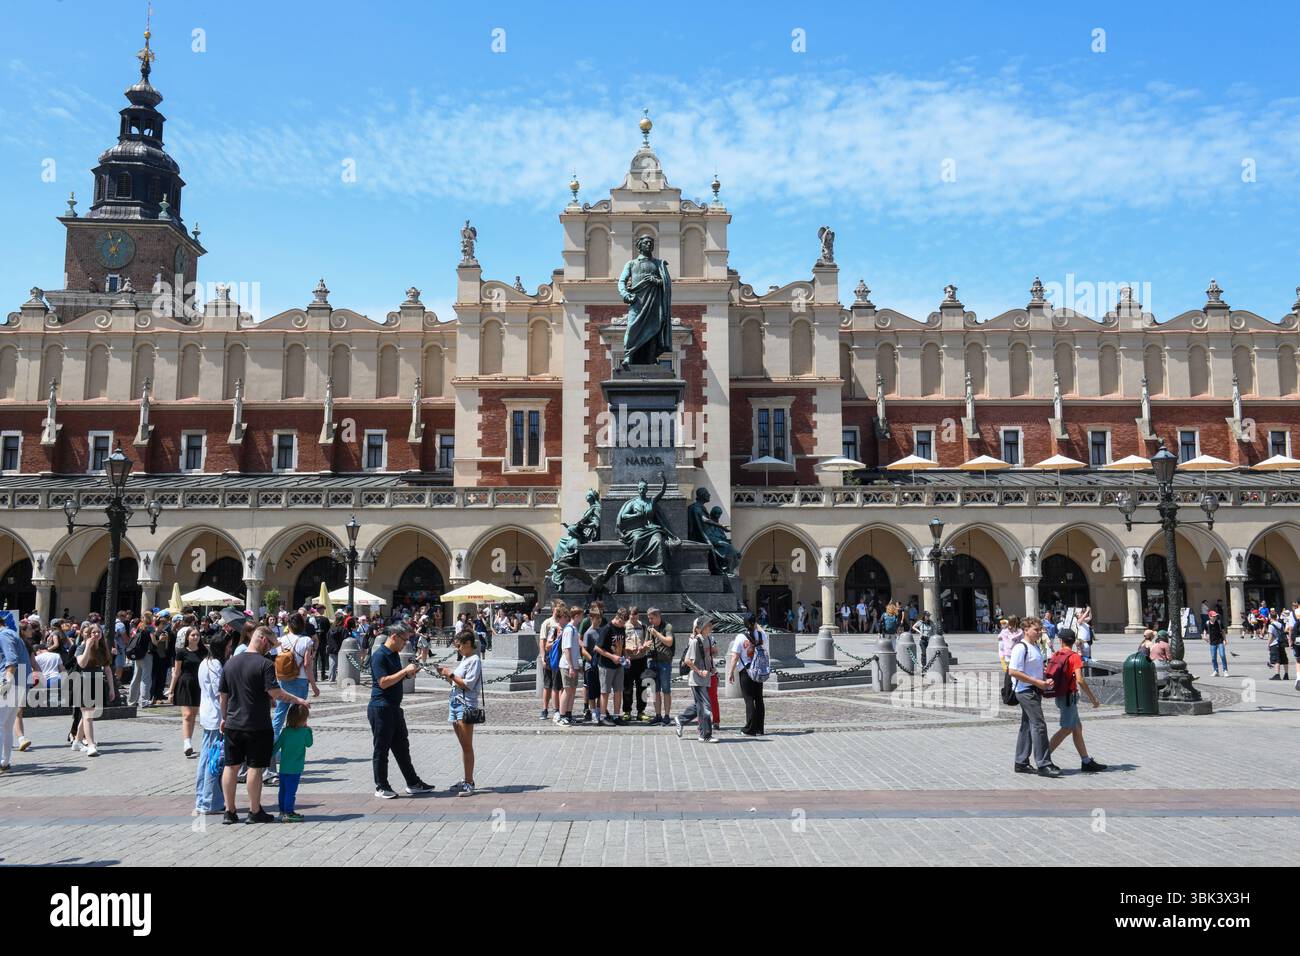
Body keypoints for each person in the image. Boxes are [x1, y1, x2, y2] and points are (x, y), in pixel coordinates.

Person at [219, 625, 310, 824]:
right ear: (263, 640)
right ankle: (254, 811)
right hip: (257, 725)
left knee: (231, 766)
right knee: (254, 768)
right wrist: (299, 700)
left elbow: (223, 696)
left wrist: (223, 718)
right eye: (270, 646)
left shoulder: (230, 663)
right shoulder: (265, 664)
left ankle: (229, 811)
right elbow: (276, 693)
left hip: (233, 724)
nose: (270, 650)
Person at [368, 625, 435, 799]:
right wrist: (404, 671)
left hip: (394, 708)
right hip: (381, 707)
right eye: (404, 639)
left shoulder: (394, 655)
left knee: (402, 747)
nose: (406, 643)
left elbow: (396, 676)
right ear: (394, 636)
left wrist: (408, 673)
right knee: (381, 749)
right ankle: (381, 786)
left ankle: (413, 782)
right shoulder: (379, 656)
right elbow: (383, 682)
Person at [267, 614, 319, 785]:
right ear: (303, 625)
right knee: (296, 716)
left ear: (288, 625)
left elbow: (275, 660)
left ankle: (272, 752)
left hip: (283, 680)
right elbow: (307, 665)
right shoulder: (306, 642)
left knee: (279, 716)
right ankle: (291, 751)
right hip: (300, 680)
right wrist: (314, 685)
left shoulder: (281, 640)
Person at [1046, 628, 1106, 773]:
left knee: (1077, 728)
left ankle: (1086, 761)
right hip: (1069, 697)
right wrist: (1093, 699)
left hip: (1061, 695)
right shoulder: (1074, 657)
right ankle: (1043, 757)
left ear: (1060, 641)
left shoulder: (1056, 654)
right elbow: (1080, 679)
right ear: (1074, 641)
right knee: (1067, 728)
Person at [1007, 620, 1060, 777]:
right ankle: (1044, 764)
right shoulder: (1020, 648)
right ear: (1026, 630)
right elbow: (1013, 671)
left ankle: (1021, 762)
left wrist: (1044, 679)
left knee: (1027, 726)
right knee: (1039, 725)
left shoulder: (1035, 647)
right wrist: (1037, 681)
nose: (1039, 632)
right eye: (1036, 629)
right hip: (1025, 691)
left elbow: (1034, 669)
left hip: (1034, 689)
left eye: (1040, 630)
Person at [438, 630, 482, 796]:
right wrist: (445, 675)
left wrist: (450, 674)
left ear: (468, 644)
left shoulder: (475, 659)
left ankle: (469, 782)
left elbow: (468, 684)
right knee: (463, 746)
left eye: (459, 645)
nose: (458, 649)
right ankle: (466, 779)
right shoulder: (465, 659)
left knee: (467, 745)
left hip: (466, 705)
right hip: (455, 703)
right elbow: (456, 681)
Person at [194, 633, 228, 816]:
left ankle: (202, 798)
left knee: (206, 757)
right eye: (228, 646)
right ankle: (209, 801)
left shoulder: (204, 662)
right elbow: (219, 692)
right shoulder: (215, 664)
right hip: (215, 715)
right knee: (213, 760)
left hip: (207, 713)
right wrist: (225, 715)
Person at [70, 622, 115, 758]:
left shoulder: (102, 649)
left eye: (98, 632)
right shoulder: (81, 647)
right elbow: (82, 663)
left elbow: (107, 669)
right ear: (88, 634)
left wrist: (112, 689)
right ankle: (91, 745)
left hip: (97, 682)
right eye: (93, 633)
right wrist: (88, 646)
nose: (96, 635)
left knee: (87, 715)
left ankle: (77, 741)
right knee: (88, 715)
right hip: (84, 682)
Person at [675, 617, 717, 742]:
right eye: (708, 625)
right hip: (696, 679)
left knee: (700, 705)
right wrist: (699, 671)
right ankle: (705, 735)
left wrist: (712, 669)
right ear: (700, 629)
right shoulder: (695, 641)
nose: (710, 627)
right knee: (705, 705)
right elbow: (687, 661)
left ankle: (681, 720)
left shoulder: (709, 639)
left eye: (710, 625)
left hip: (705, 677)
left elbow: (708, 657)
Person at [167, 621, 206, 757]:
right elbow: (176, 672)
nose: (195, 637)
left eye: (197, 635)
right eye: (193, 635)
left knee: (194, 715)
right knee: (187, 715)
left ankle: (189, 739)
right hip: (185, 684)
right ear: (187, 637)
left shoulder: (204, 652)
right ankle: (187, 742)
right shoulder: (181, 653)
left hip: (199, 684)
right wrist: (171, 690)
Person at [271, 703, 313, 822]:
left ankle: (282, 811)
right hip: (295, 768)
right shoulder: (304, 732)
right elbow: (309, 744)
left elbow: (277, 746)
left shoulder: (285, 732)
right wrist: (309, 730)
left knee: (283, 790)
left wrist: (269, 756)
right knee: (291, 792)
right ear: (304, 720)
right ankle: (289, 812)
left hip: (284, 768)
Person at [728, 613, 766, 737]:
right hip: (758, 670)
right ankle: (760, 728)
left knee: (749, 699)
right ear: (755, 622)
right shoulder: (761, 634)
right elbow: (761, 637)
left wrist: (731, 672)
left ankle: (750, 729)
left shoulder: (740, 637)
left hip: (745, 670)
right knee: (759, 699)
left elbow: (735, 657)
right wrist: (757, 625)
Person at [0, 620, 29, 773]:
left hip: (10, 686)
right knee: (6, 726)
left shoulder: (3, 636)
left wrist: (7, 682)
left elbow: (11, 661)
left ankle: (2, 761)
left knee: (1, 725)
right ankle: (4, 762)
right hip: (20, 685)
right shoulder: (12, 634)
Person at [595, 607, 627, 726]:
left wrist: (625, 656)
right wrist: (612, 657)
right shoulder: (607, 629)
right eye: (622, 622)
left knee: (619, 691)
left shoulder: (622, 628)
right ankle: (602, 717)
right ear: (617, 618)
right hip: (606, 665)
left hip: (619, 665)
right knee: (605, 691)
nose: (622, 625)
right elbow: (597, 648)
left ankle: (616, 715)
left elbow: (622, 646)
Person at [645, 607, 674, 726]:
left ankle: (666, 716)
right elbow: (646, 643)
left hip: (664, 663)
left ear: (658, 616)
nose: (650, 621)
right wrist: (645, 646)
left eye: (652, 618)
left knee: (666, 690)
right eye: (649, 618)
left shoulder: (667, 627)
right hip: (652, 661)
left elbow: (669, 642)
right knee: (655, 691)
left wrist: (656, 634)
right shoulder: (649, 628)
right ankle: (658, 715)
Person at [622, 607, 650, 722]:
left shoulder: (643, 626)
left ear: (638, 616)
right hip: (629, 660)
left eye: (635, 617)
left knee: (642, 687)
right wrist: (628, 648)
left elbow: (648, 640)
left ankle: (641, 711)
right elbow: (620, 643)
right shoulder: (624, 626)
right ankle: (627, 711)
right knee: (627, 687)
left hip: (641, 659)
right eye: (631, 618)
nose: (633, 620)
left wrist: (644, 646)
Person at [556, 606, 583, 726]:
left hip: (573, 665)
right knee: (566, 691)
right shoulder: (569, 630)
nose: (582, 618)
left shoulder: (574, 629)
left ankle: (568, 714)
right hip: (567, 665)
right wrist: (571, 666)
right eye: (581, 615)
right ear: (577, 616)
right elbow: (566, 649)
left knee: (572, 691)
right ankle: (561, 716)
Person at [539, 601, 564, 721]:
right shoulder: (548, 623)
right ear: (553, 610)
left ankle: (558, 709)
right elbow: (543, 642)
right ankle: (545, 709)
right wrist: (543, 657)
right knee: (547, 685)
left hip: (559, 658)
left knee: (557, 685)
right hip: (550, 658)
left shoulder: (564, 623)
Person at [1203, 609, 1228, 677]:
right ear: (1210, 617)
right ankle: (1216, 671)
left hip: (1220, 641)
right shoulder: (1207, 623)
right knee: (1213, 657)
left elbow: (1223, 632)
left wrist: (1225, 640)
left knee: (1222, 655)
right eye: (1213, 616)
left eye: (1216, 616)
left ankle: (1225, 670)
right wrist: (1204, 636)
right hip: (1212, 642)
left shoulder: (1219, 622)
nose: (1215, 617)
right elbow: (1205, 630)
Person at [1267, 611, 1290, 680]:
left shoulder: (1271, 625)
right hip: (1281, 643)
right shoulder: (1280, 624)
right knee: (1284, 659)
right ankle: (1286, 674)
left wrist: (1268, 644)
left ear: (1270, 617)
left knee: (1276, 659)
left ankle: (1277, 675)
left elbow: (1271, 636)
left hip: (1274, 644)